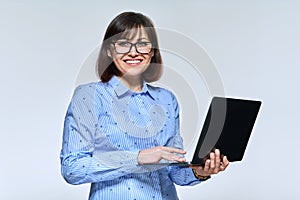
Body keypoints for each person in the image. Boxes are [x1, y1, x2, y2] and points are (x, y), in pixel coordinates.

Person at [60, 11, 229, 200]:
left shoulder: (167, 99)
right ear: (109, 50)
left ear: (152, 51)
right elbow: (72, 168)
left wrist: (201, 171)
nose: (134, 52)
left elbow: (173, 172)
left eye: (142, 44)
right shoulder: (89, 96)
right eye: (123, 44)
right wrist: (138, 158)